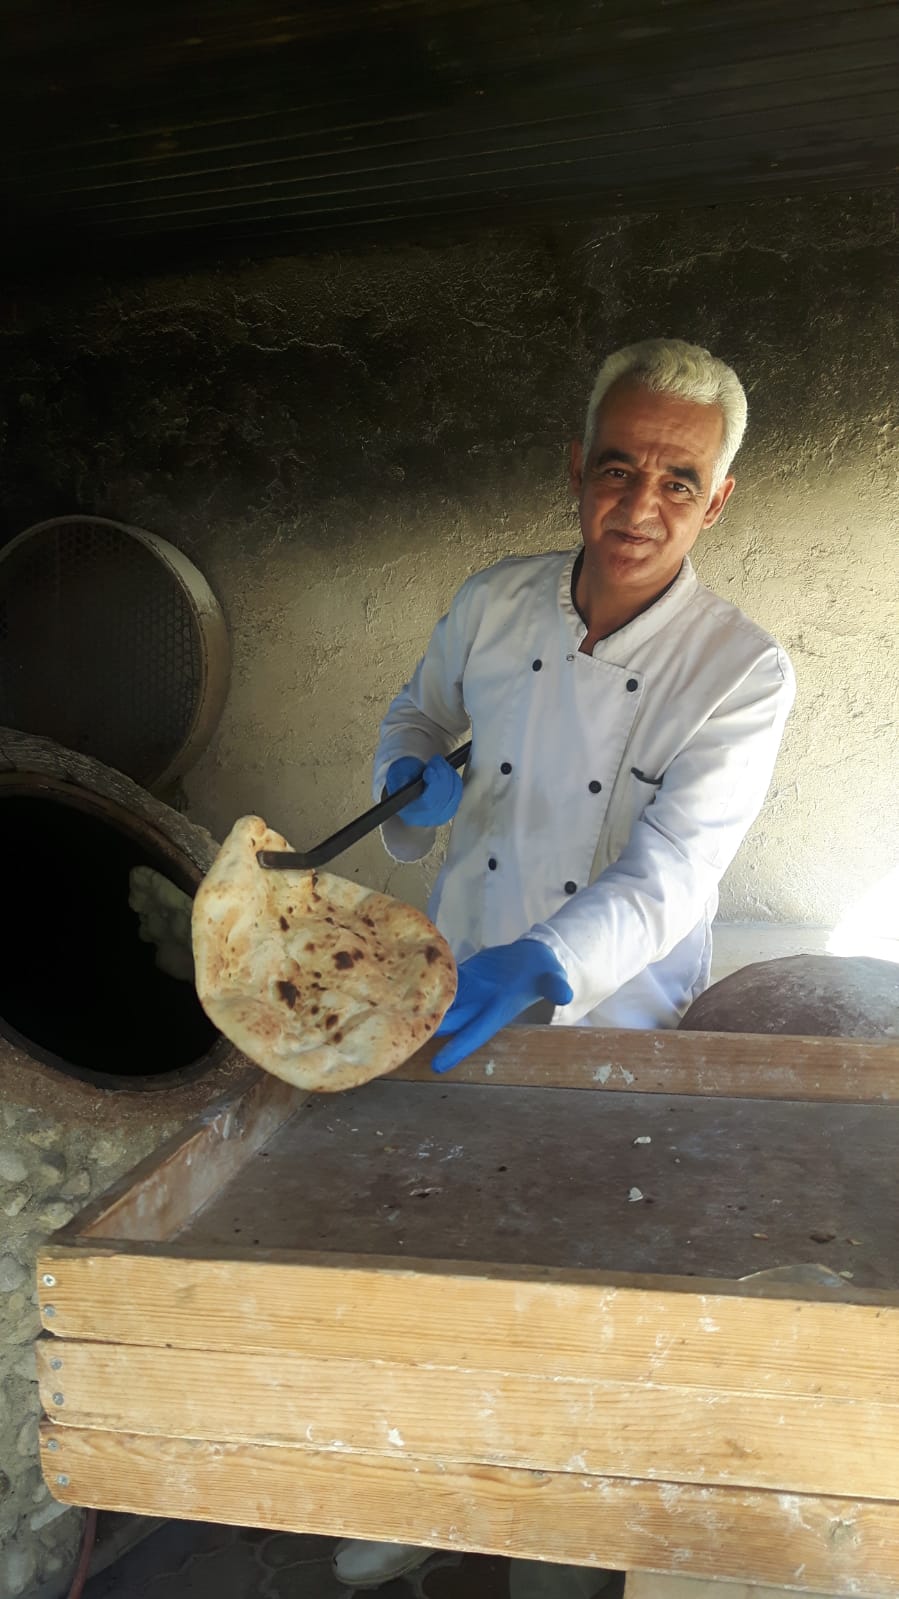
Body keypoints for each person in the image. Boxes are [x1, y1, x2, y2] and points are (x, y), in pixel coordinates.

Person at [331, 337, 795, 1593]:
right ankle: (427, 1494)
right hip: (450, 980)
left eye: (677, 480)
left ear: (716, 499)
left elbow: (674, 873)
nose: (640, 505)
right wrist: (404, 776)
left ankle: (555, 1527)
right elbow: (416, 714)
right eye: (615, 468)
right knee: (431, 1242)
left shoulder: (739, 671)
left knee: (573, 1275)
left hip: (611, 1018)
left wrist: (545, 960)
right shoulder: (493, 602)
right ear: (573, 468)